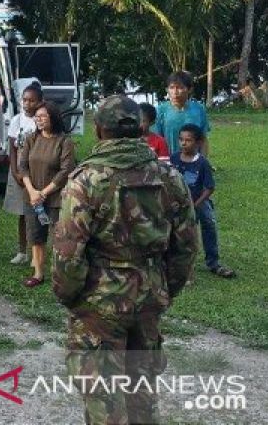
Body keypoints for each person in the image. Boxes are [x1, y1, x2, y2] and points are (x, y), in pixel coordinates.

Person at [52, 95, 199, 425]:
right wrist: (162, 290)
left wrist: (70, 295)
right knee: (142, 394)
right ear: (141, 130)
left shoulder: (86, 181)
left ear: (101, 131)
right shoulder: (169, 177)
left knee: (104, 398)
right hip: (149, 295)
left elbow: (67, 254)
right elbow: (186, 246)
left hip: (100, 301)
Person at [19, 101, 76, 287]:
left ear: (53, 117)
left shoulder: (64, 141)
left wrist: (43, 192)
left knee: (58, 237)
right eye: (37, 116)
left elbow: (66, 169)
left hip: (55, 198)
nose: (39, 119)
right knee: (35, 235)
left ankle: (60, 274)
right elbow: (23, 166)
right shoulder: (31, 139)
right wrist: (32, 191)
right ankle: (38, 273)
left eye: (43, 116)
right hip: (32, 196)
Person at [172, 124, 237, 279]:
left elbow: (209, 188)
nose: (183, 143)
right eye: (181, 139)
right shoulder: (173, 158)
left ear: (199, 143)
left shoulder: (202, 163)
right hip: (179, 204)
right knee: (179, 233)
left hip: (199, 202)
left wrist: (196, 204)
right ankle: (179, 264)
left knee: (208, 226)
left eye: (188, 140)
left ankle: (213, 262)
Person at [4, 83, 43, 266]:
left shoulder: (41, 120)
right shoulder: (16, 120)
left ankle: (38, 253)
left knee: (39, 213)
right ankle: (22, 251)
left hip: (37, 173)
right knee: (22, 214)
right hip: (19, 173)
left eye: (31, 100)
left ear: (40, 102)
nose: (27, 104)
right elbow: (12, 148)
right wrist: (14, 171)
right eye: (24, 100)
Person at [153, 70, 211, 158]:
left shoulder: (199, 109)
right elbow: (156, 141)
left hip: (193, 162)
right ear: (167, 90)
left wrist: (202, 162)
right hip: (168, 162)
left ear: (189, 89)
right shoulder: (160, 110)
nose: (175, 92)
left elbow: (203, 139)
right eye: (172, 88)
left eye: (180, 87)